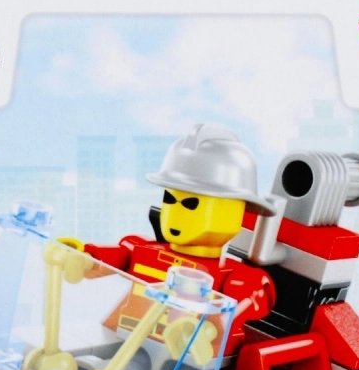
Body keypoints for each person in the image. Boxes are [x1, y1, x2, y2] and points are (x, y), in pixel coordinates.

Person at [63, 124, 276, 357]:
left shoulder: (236, 278)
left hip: (185, 358)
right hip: (122, 337)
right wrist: (83, 256)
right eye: (170, 199)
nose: (176, 212)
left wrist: (204, 333)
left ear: (236, 213)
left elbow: (245, 304)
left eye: (192, 204)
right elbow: (113, 257)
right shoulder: (144, 250)